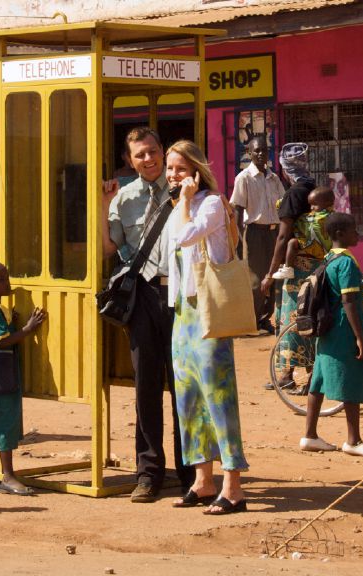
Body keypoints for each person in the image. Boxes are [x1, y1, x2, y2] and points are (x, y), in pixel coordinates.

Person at [100, 127, 195, 502]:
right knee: (147, 388)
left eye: (153, 151)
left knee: (184, 386)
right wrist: (100, 201)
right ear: (129, 159)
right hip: (141, 298)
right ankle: (149, 474)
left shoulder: (188, 193)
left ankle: (191, 474)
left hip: (182, 297)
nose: (149, 160)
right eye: (140, 154)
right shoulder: (122, 199)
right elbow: (110, 248)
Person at [163, 140, 249, 515]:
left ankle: (233, 486)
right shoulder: (178, 208)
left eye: (180, 169)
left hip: (209, 309)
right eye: (170, 169)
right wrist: (180, 202)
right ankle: (202, 479)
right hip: (183, 310)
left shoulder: (211, 203)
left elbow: (184, 238)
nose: (173, 175)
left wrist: (185, 199)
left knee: (218, 396)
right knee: (188, 397)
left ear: (196, 170)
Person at [0, 260, 46, 495]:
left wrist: (12, 323)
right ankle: (8, 476)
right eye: (1, 279)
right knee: (4, 423)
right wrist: (27, 329)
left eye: (6, 277)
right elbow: (1, 340)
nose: (7, 282)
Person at [299, 212, 363, 456]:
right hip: (342, 328)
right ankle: (354, 440)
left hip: (325, 330)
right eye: (353, 230)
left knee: (317, 381)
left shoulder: (329, 259)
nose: (357, 234)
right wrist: (360, 336)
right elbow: (349, 302)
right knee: (351, 379)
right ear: (340, 234)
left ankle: (310, 435)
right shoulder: (346, 263)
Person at [260, 143, 319, 389]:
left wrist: (270, 273)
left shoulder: (294, 193)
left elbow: (283, 237)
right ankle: (310, 376)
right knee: (309, 317)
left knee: (291, 318)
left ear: (286, 168)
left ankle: (286, 377)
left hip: (294, 266)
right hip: (315, 265)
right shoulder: (314, 188)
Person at [229, 136, 284, 333]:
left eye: (264, 150)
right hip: (254, 234)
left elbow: (283, 206)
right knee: (256, 281)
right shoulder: (243, 178)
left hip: (275, 234)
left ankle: (264, 318)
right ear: (249, 153)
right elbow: (237, 210)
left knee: (275, 276)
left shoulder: (274, 178)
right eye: (256, 151)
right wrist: (237, 239)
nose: (260, 154)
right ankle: (250, 320)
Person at [272, 186, 334, 279]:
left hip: (322, 250)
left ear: (328, 203)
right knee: (292, 242)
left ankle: (288, 268)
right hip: (312, 248)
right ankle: (288, 269)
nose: (311, 208)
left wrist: (284, 205)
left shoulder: (327, 216)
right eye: (310, 205)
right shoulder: (315, 215)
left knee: (292, 242)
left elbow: (310, 222)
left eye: (315, 204)